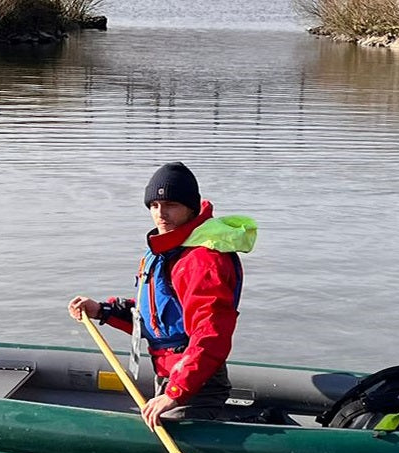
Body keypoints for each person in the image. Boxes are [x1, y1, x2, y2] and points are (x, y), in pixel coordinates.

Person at [68, 162, 257, 431]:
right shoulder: (167, 250)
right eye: (154, 206)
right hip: (172, 375)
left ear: (190, 207)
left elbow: (210, 334)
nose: (161, 214)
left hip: (195, 385)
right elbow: (158, 316)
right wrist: (102, 310)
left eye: (171, 205)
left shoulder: (202, 261)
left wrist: (175, 393)